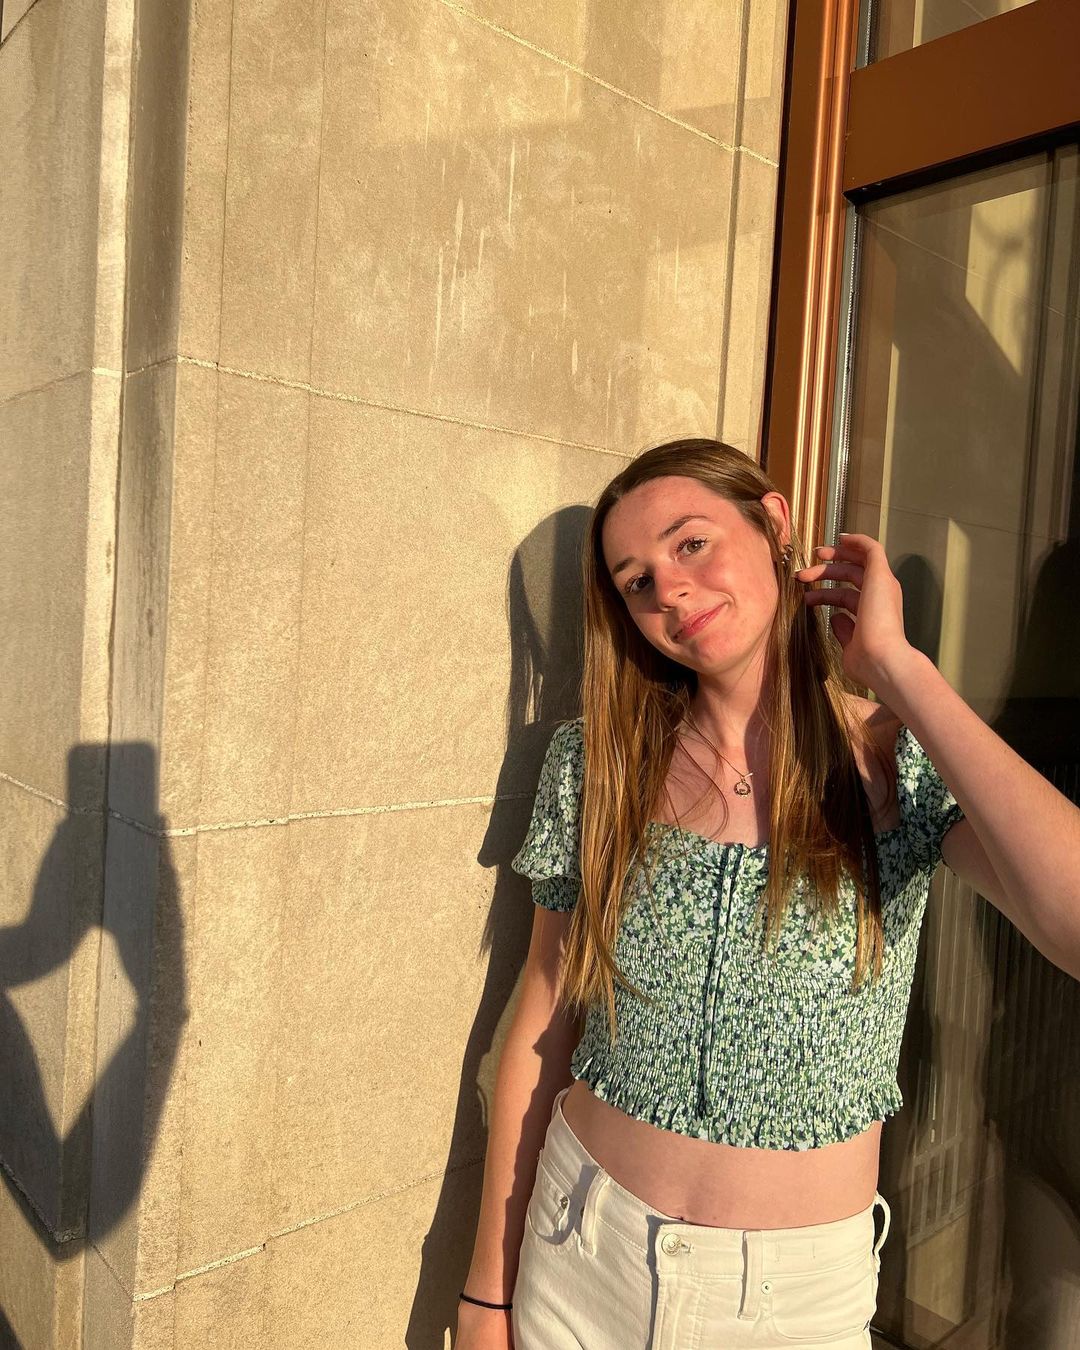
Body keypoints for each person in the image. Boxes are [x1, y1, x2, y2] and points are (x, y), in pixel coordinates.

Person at [455, 438, 1080, 1349]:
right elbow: (542, 1018)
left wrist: (899, 669)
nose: (670, 591)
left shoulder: (892, 761)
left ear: (774, 523)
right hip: (578, 1250)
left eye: (691, 543)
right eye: (636, 581)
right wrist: (487, 1292)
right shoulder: (597, 763)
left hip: (789, 1304)